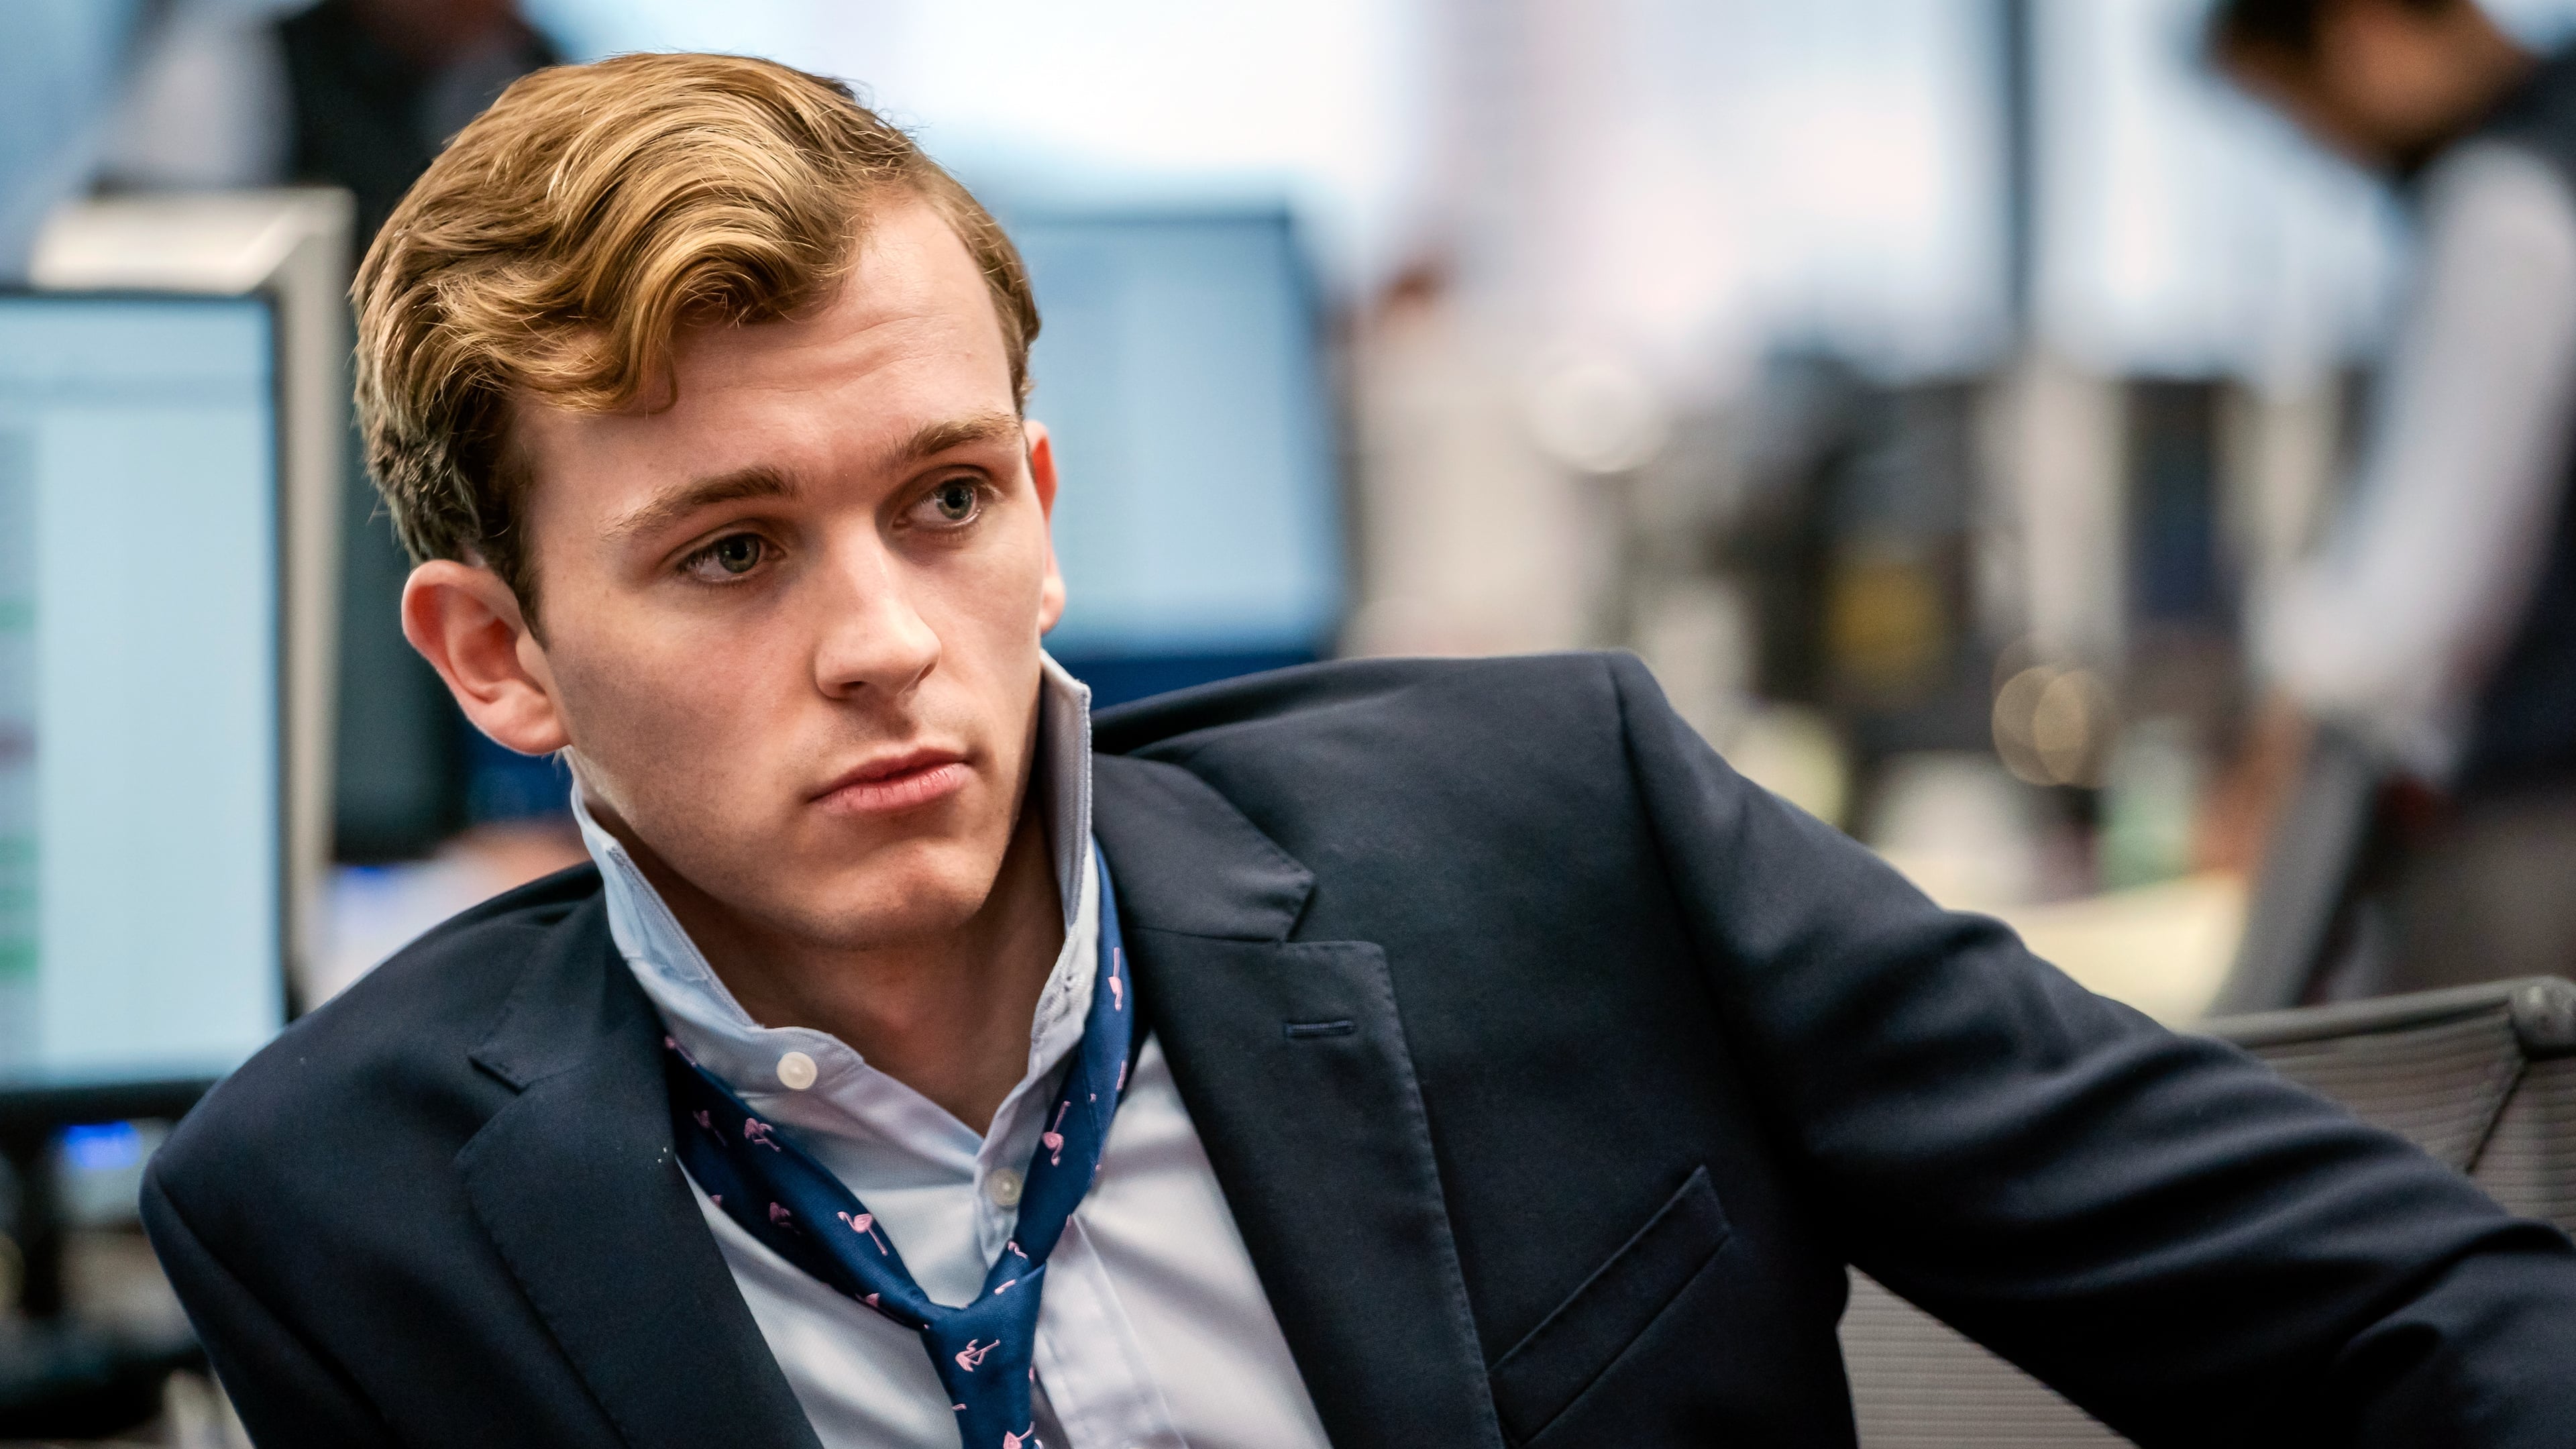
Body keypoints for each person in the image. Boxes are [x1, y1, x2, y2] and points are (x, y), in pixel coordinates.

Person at [140, 52, 2576, 1448]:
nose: (883, 643)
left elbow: (2410, 1314)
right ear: (499, 656)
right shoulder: (342, 1205)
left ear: (1041, 508)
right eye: (730, 552)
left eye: (946, 501)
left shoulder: (1555, 834)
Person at [2218, 0, 2576, 994]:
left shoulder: (2501, 202)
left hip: (2530, 837)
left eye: (2302, 112)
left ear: (2361, 30)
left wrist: (2275, 753)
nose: (2323, 150)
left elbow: (2410, 604)